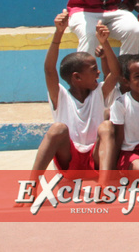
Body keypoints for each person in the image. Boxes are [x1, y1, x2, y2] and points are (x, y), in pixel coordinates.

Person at [32, 12, 119, 173]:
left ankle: (104, 183)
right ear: (77, 77)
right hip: (69, 160)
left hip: (95, 158)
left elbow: (115, 73)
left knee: (106, 127)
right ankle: (31, 185)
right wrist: (59, 33)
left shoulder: (99, 92)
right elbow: (49, 70)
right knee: (57, 128)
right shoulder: (60, 96)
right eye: (94, 70)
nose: (99, 73)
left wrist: (104, 42)